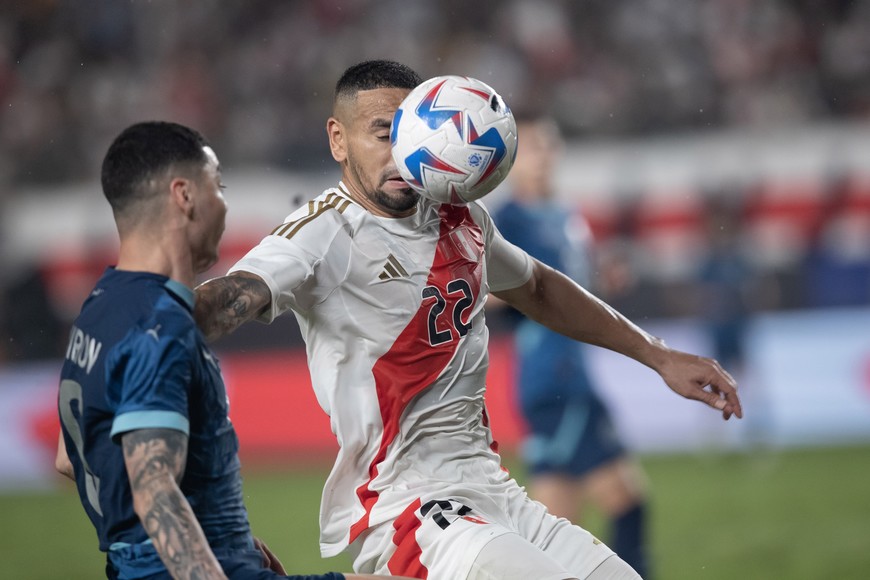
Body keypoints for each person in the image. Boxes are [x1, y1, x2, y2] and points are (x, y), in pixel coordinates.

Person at [195, 60, 742, 580]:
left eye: (410, 131)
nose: (401, 152)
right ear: (338, 139)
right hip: (409, 505)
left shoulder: (462, 216)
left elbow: (539, 287)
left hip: (494, 490)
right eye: (382, 133)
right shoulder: (322, 233)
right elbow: (229, 297)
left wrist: (659, 354)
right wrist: (148, 317)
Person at [55, 121, 406, 580]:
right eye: (217, 186)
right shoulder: (161, 326)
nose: (224, 204)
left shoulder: (103, 306)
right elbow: (156, 491)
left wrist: (228, 534)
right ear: (185, 197)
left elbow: (68, 457)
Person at [491, 115, 650, 576]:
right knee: (627, 502)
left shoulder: (566, 216)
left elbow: (572, 289)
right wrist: (515, 293)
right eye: (532, 148)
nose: (543, 157)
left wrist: (601, 281)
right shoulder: (504, 220)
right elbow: (482, 292)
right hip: (551, 377)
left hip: (570, 374)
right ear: (512, 161)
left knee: (557, 522)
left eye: (549, 146)